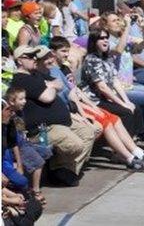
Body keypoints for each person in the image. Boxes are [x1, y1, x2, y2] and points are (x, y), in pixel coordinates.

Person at [45, 38, 144, 170]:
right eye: (63, 51)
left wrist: (92, 105)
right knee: (105, 121)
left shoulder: (65, 68)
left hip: (82, 103)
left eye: (68, 51)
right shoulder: (52, 71)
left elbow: (76, 91)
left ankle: (136, 151)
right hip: (72, 109)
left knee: (115, 119)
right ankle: (128, 158)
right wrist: (85, 112)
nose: (67, 55)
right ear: (53, 52)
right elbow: (71, 97)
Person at [9, 45, 98, 187]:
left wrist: (51, 85)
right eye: (30, 56)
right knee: (75, 144)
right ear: (20, 60)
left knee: (91, 131)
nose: (34, 59)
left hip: (61, 122)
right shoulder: (21, 79)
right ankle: (59, 169)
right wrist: (51, 87)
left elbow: (59, 84)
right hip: (43, 129)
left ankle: (65, 170)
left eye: (34, 56)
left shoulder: (35, 74)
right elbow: (47, 97)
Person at [80, 27, 144, 155]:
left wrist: (127, 101)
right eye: (101, 38)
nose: (105, 41)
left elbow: (114, 81)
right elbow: (103, 87)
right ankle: (125, 151)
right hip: (95, 100)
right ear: (94, 42)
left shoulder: (106, 58)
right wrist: (122, 104)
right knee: (126, 112)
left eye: (106, 38)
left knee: (135, 108)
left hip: (110, 94)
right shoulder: (91, 60)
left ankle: (136, 144)